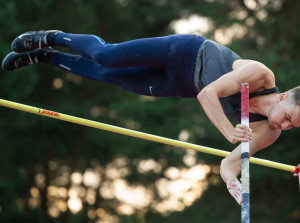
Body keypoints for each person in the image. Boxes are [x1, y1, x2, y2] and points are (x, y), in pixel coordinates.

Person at [2, 30, 300, 205]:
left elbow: (230, 161)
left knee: (108, 76)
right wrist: (227, 131)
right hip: (184, 53)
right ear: (284, 96)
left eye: (292, 126)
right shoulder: (260, 75)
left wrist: (231, 180)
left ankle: (45, 57)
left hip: (181, 84)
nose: (284, 125)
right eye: (288, 117)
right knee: (107, 56)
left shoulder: (268, 132)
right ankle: (53, 37)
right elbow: (208, 95)